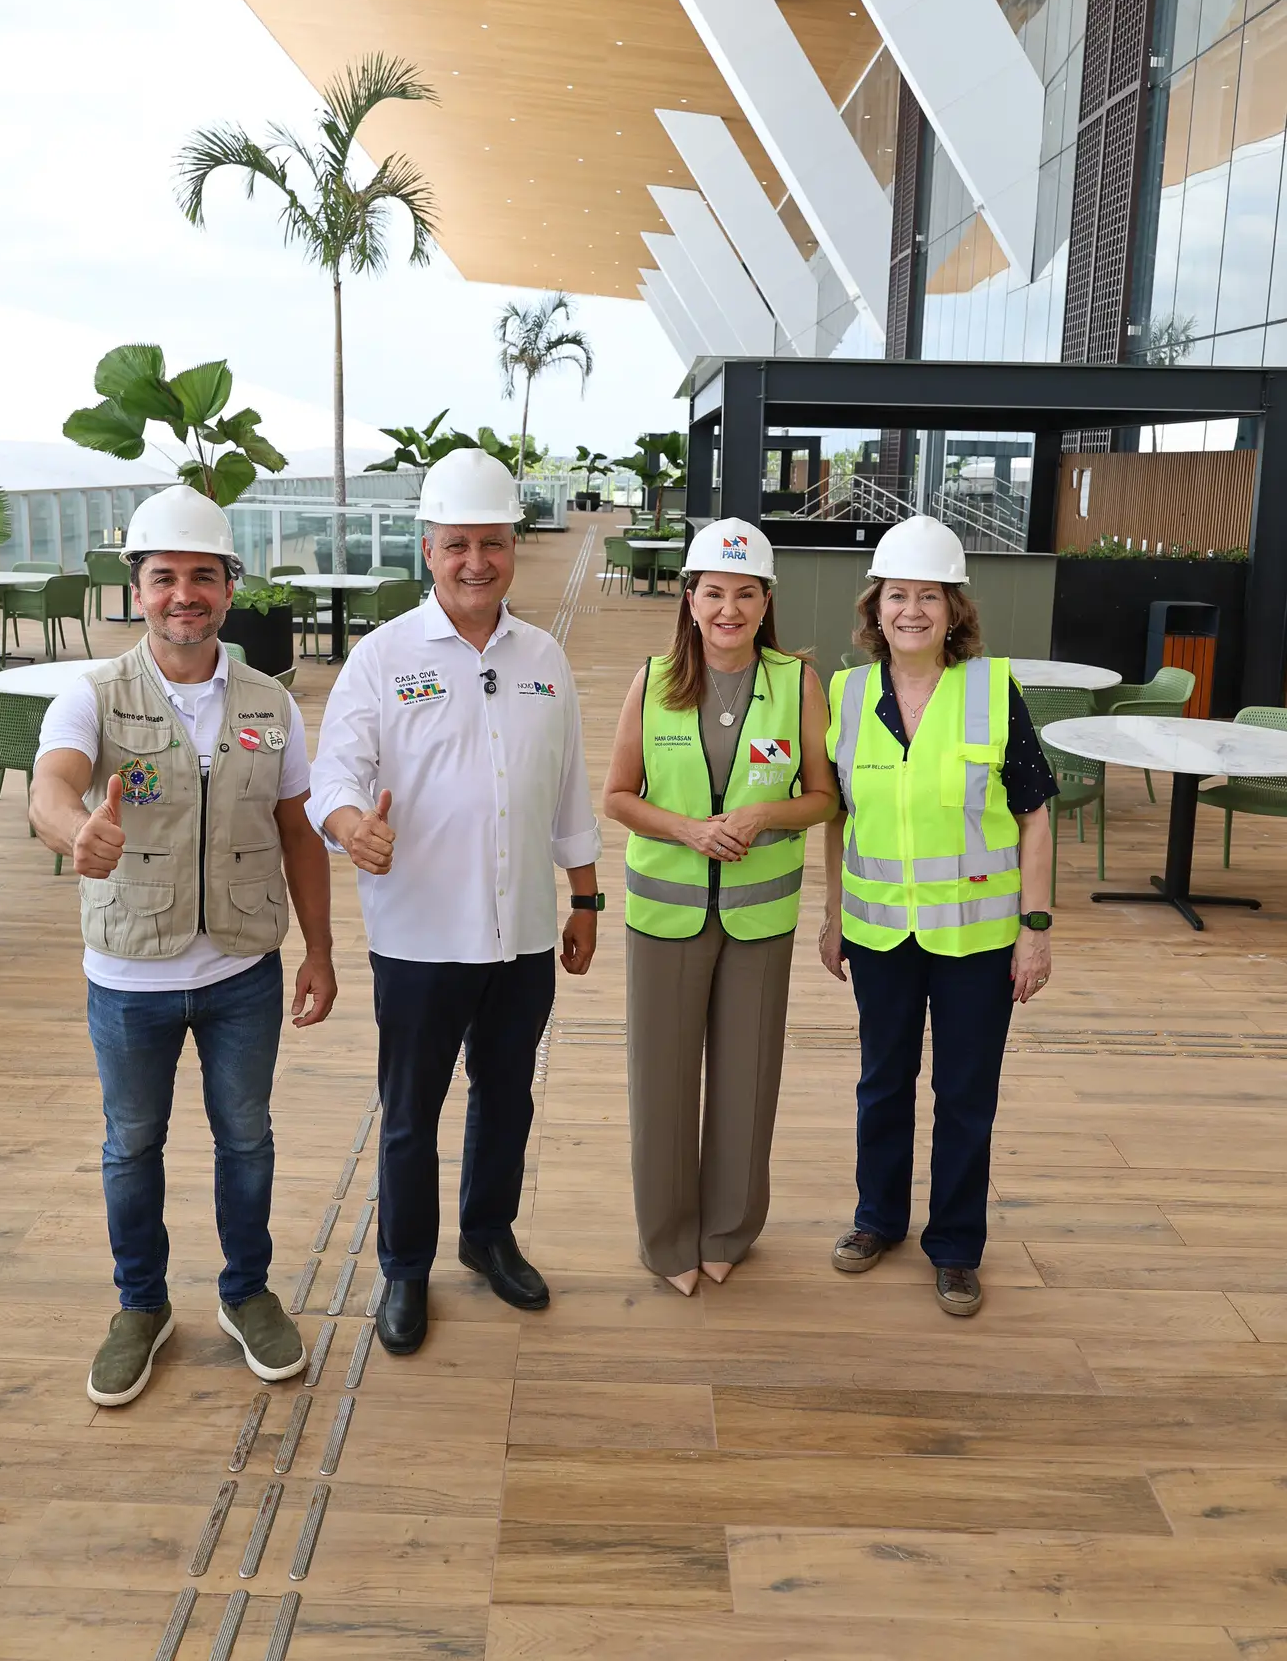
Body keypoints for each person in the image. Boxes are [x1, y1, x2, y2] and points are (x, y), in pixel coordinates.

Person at [30, 487, 336, 1405]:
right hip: (130, 976)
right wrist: (74, 831)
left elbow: (298, 832)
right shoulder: (92, 695)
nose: (183, 594)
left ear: (230, 588)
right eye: (164, 576)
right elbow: (52, 787)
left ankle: (247, 1294)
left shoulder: (270, 702)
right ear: (138, 589)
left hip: (244, 970)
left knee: (247, 1139)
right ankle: (141, 1306)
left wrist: (320, 951)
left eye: (203, 575)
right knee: (132, 1146)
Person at [309, 448, 601, 1357]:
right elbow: (334, 775)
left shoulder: (543, 657)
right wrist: (351, 826)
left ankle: (488, 1234)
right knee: (410, 1113)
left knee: (506, 1097)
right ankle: (404, 1267)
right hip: (420, 935)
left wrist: (585, 898)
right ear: (429, 550)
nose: (477, 562)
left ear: (513, 547)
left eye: (493, 543)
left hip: (522, 932)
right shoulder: (383, 657)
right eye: (458, 545)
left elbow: (568, 789)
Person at [820, 515, 1057, 1318]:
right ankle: (877, 1220)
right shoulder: (847, 694)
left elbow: (1034, 815)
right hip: (881, 931)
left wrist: (1035, 930)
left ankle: (955, 1247)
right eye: (897, 596)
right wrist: (832, 915)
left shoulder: (993, 689)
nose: (912, 610)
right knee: (882, 1082)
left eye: (929, 596)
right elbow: (838, 818)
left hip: (977, 939)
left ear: (955, 610)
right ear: (875, 608)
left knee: (964, 1094)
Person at [603, 518, 839, 1296]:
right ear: (690, 599)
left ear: (766, 602)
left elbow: (823, 797)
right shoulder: (653, 680)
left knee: (747, 1081)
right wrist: (689, 830)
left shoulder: (798, 683)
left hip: (759, 919)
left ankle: (729, 1230)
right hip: (665, 917)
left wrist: (764, 814)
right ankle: (668, 1239)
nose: (728, 609)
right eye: (713, 593)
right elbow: (618, 797)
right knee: (662, 1084)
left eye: (745, 594)